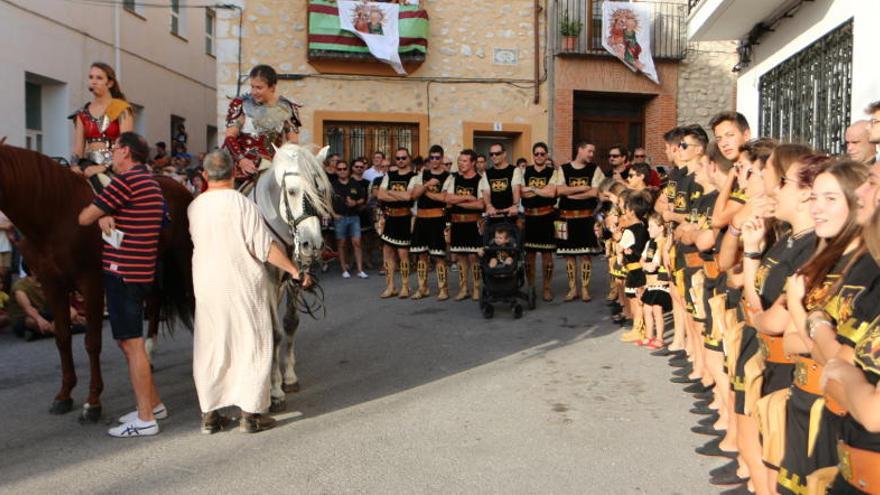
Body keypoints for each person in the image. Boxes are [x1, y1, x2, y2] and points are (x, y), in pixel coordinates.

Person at [188, 150, 310, 434]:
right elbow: (265, 248)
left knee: (211, 347)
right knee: (251, 345)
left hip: (206, 286)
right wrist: (293, 270)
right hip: (242, 285)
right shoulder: (245, 206)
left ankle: (210, 415)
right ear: (233, 174)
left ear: (205, 176)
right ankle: (251, 415)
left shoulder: (195, 206)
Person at [77, 132, 166, 438]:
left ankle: (145, 419)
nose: (111, 155)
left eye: (114, 150)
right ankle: (153, 405)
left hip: (123, 272)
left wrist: (102, 215)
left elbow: (85, 217)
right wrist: (108, 215)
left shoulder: (125, 182)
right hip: (140, 272)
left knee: (132, 344)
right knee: (128, 342)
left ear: (126, 152)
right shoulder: (150, 181)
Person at [223, 64, 301, 182]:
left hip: (273, 169)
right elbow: (230, 137)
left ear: (272, 87)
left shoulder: (286, 108)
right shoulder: (241, 105)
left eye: (259, 88)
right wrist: (241, 160)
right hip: (242, 170)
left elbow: (294, 143)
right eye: (252, 87)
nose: (254, 92)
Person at [554, 142, 604, 302]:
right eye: (589, 151)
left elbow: (596, 191)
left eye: (593, 152)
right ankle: (572, 289)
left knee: (586, 255)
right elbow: (559, 190)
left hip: (586, 217)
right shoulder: (563, 169)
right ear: (580, 150)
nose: (592, 154)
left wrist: (572, 194)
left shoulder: (595, 169)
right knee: (568, 256)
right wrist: (583, 188)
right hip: (564, 217)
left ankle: (584, 289)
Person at [71, 62, 134, 190]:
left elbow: (125, 145)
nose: (93, 81)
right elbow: (78, 148)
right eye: (91, 77)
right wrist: (74, 166)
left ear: (110, 83)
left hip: (116, 167)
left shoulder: (121, 108)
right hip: (88, 165)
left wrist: (104, 166)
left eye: (99, 78)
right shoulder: (82, 113)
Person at [410, 145, 451, 300]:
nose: (434, 160)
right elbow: (414, 195)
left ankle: (443, 289)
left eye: (437, 157)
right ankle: (422, 288)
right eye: (432, 157)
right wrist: (426, 185)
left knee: (439, 256)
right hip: (421, 218)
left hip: (438, 219)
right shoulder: (422, 174)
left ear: (441, 158)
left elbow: (445, 199)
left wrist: (424, 191)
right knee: (421, 255)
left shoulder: (448, 176)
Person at [444, 150, 485, 301]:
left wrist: (458, 201)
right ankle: (463, 289)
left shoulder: (480, 180)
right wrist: (467, 198)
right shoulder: (454, 179)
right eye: (459, 161)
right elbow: (447, 199)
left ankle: (476, 288)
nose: (460, 164)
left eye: (464, 161)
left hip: (473, 223)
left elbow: (481, 204)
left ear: (473, 162)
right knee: (460, 258)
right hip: (457, 223)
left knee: (473, 257)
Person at [376, 148, 416, 298]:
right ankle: (390, 286)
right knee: (387, 253)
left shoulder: (414, 177)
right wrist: (399, 195)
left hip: (404, 218)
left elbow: (408, 197)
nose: (400, 161)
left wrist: (390, 192)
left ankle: (405, 286)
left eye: (403, 158)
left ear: (408, 159)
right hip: (390, 218)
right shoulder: (390, 175)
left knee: (403, 253)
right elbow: (380, 194)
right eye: (398, 158)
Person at [522, 142, 558, 301]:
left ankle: (547, 288)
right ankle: (531, 287)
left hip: (547, 217)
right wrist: (542, 192)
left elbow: (551, 194)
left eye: (542, 154)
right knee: (529, 257)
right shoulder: (525, 171)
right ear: (533, 155)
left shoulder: (553, 172)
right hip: (529, 218)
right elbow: (522, 193)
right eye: (536, 153)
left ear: (546, 155)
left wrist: (533, 190)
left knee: (547, 256)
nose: (539, 156)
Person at [331, 160, 368, 279]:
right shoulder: (332, 185)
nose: (342, 171)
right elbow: (326, 202)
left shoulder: (354, 183)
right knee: (341, 244)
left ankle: (360, 270)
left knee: (357, 243)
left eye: (344, 169)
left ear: (348, 170)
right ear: (336, 171)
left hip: (354, 217)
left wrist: (355, 202)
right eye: (339, 169)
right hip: (339, 218)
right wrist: (333, 214)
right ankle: (343, 269)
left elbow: (363, 198)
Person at [640, 212, 671, 349]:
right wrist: (644, 265)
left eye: (651, 226)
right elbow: (642, 259)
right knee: (647, 309)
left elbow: (656, 263)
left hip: (660, 282)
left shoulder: (663, 243)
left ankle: (660, 338)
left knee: (657, 310)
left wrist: (648, 266)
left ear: (661, 228)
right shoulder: (649, 243)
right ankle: (648, 336)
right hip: (650, 282)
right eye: (648, 226)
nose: (648, 229)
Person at [481, 142, 523, 218]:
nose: (494, 156)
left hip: (511, 214)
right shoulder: (487, 173)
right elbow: (486, 192)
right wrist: (489, 206)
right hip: (493, 215)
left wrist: (515, 205)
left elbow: (515, 190)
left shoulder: (514, 170)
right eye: (491, 154)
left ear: (504, 154)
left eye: (497, 153)